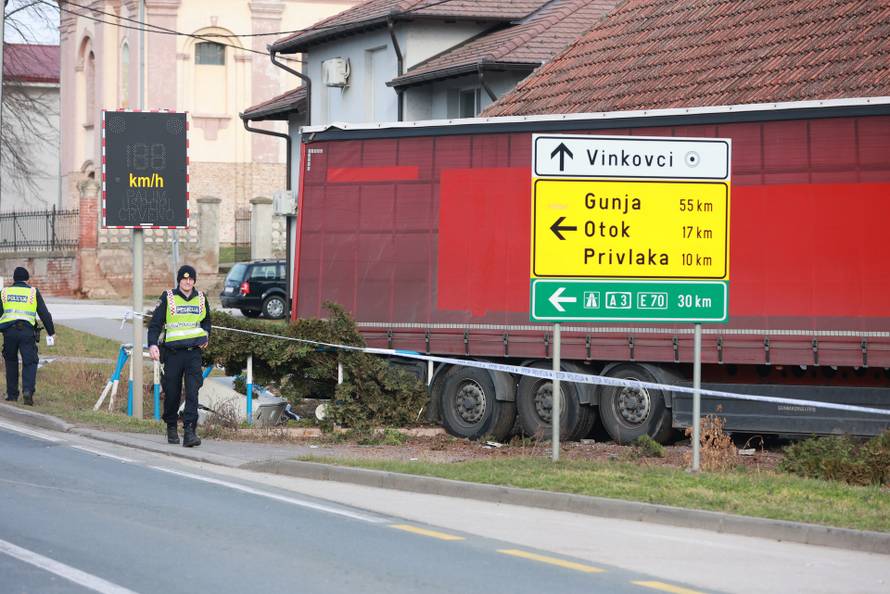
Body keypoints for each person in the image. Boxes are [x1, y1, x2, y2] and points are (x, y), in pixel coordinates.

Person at [148, 265, 211, 447]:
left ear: (194, 281)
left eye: (191, 279)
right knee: (172, 393)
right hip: (173, 354)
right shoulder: (168, 297)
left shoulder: (201, 298)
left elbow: (207, 321)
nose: (188, 281)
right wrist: (152, 344)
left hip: (193, 354)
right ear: (179, 280)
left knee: (193, 392)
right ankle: (171, 426)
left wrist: (206, 334)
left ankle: (190, 431)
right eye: (184, 279)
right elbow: (155, 324)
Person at [1, 267, 55, 405]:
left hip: (9, 333)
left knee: (11, 361)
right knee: (30, 362)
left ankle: (12, 395)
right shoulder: (32, 292)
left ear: (14, 279)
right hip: (27, 332)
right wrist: (51, 332)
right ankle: (28, 391)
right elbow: (44, 314)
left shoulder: (5, 292)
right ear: (27, 279)